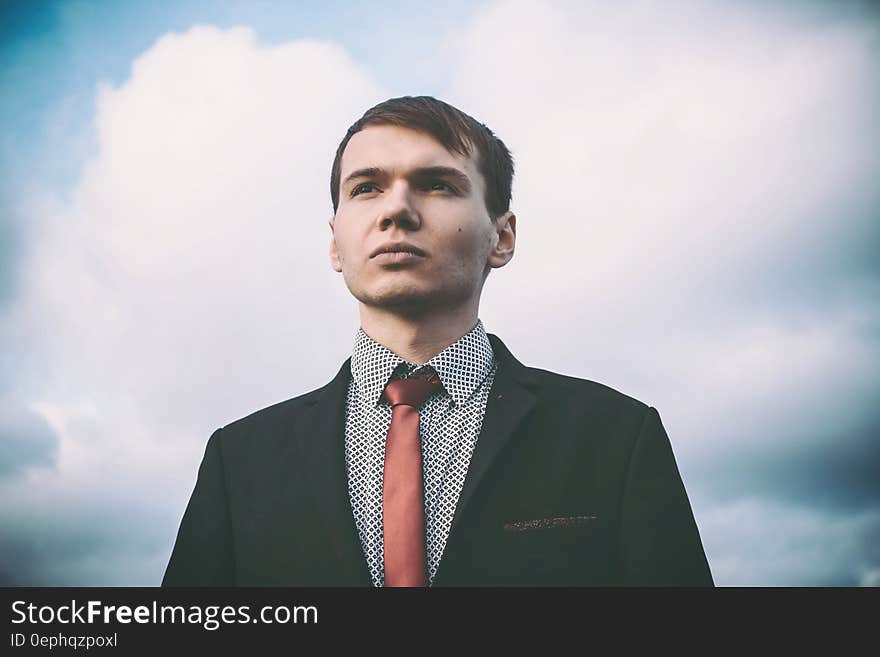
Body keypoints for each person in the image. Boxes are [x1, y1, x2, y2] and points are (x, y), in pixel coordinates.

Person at [163, 96, 713, 587]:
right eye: (365, 188)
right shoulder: (238, 462)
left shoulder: (615, 436)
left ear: (502, 237)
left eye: (437, 184)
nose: (396, 209)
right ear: (335, 244)